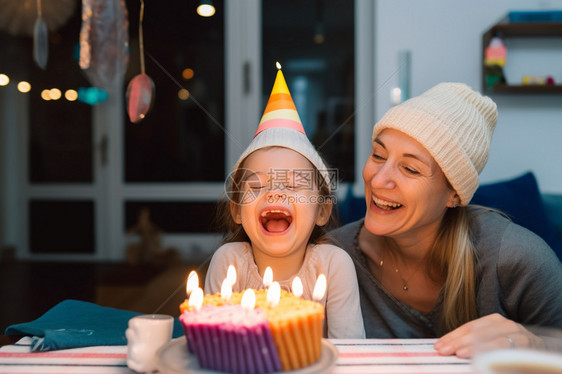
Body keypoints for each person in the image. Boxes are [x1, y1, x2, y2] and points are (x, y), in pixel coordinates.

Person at [330, 82, 562, 357]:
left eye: (410, 169)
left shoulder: (516, 259)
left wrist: (534, 344)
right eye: (378, 155)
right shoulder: (333, 256)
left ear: (454, 194)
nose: (378, 179)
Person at [204, 65, 365, 339]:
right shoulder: (228, 263)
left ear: (322, 211)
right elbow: (210, 346)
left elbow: (350, 353)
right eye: (256, 185)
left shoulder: (334, 266)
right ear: (237, 210)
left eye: (294, 184)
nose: (275, 193)